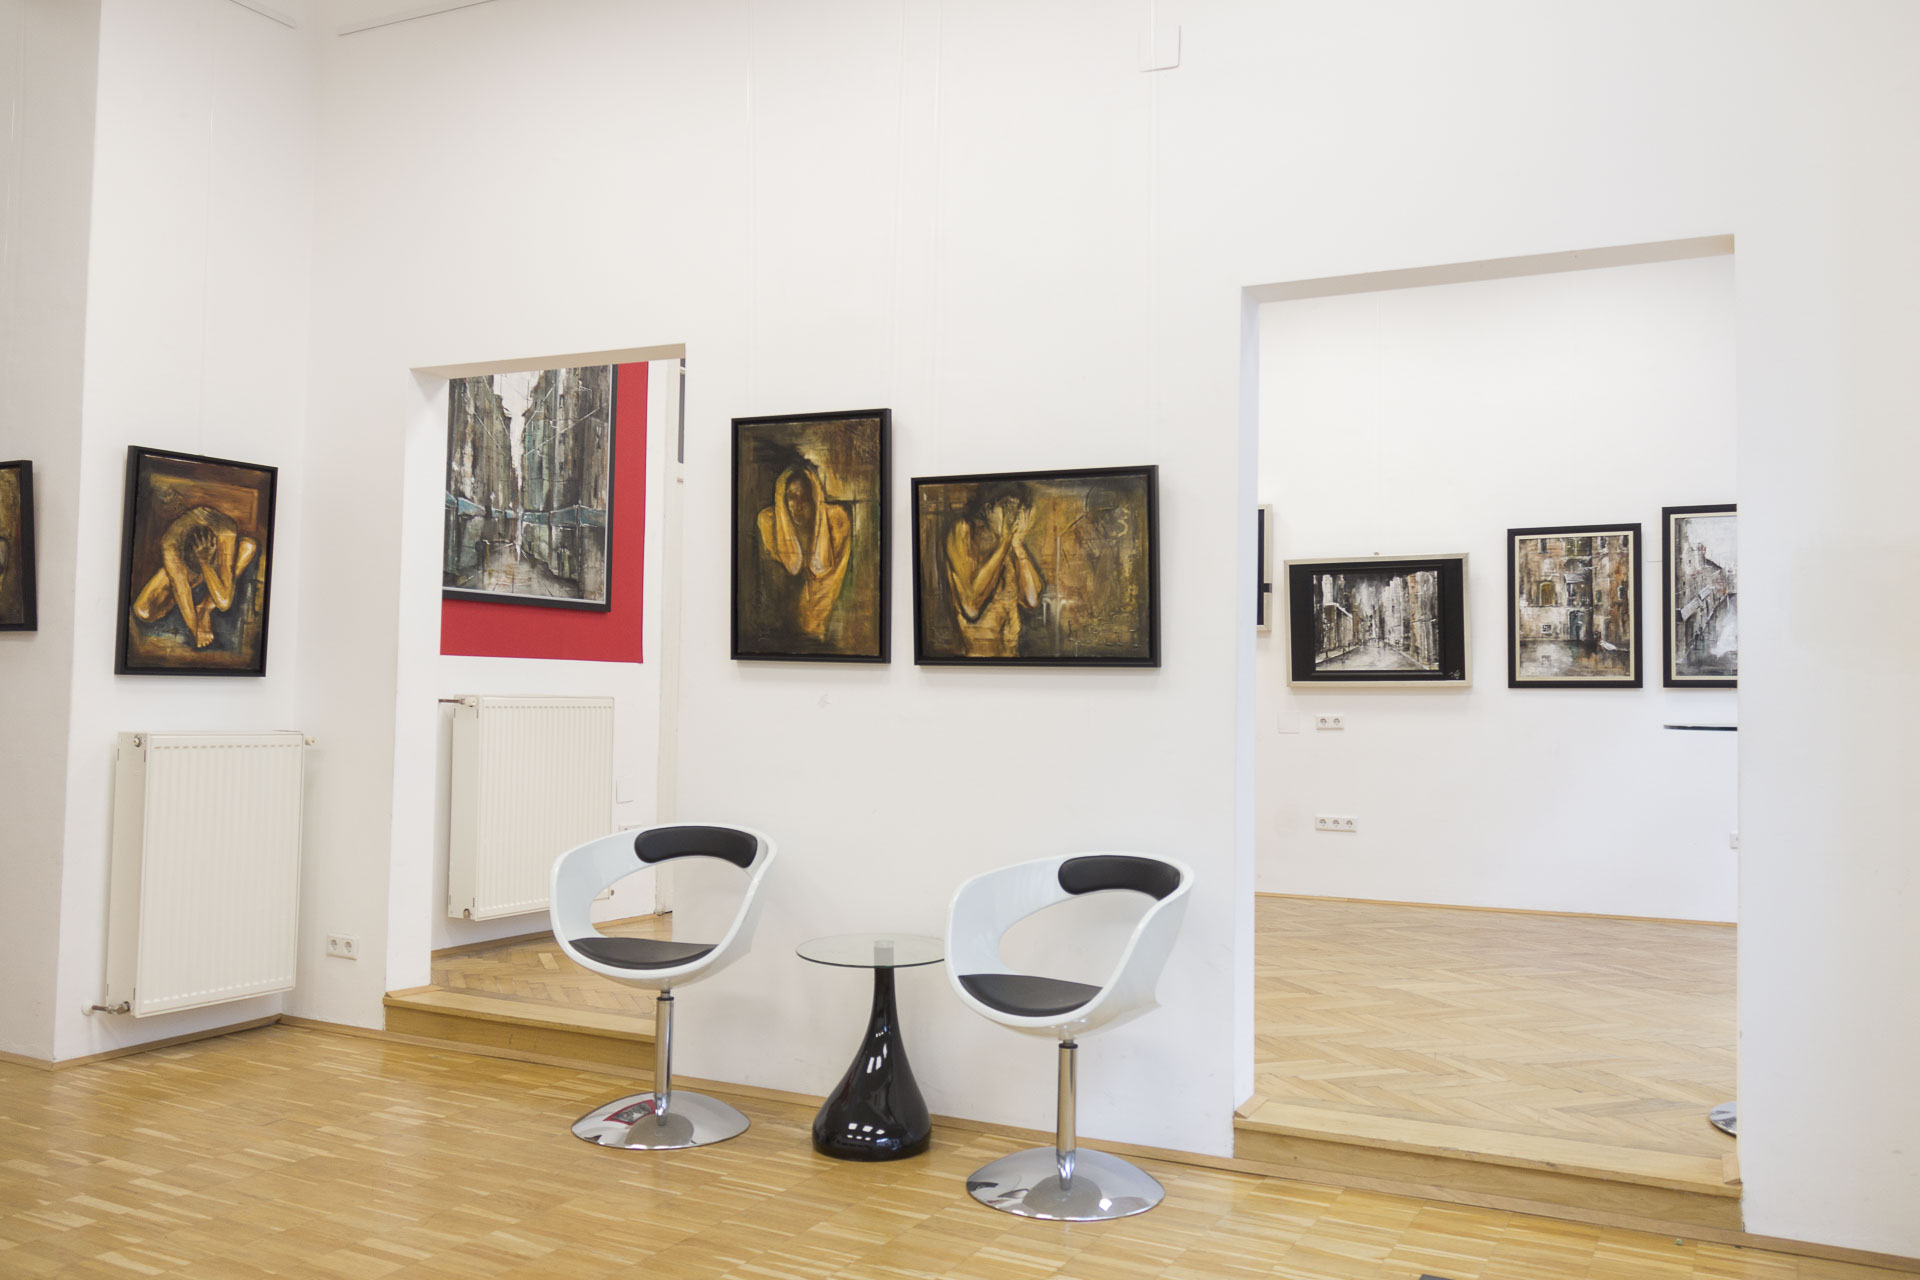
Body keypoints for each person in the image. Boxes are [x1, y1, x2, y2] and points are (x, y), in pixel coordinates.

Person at [131, 506, 258, 650]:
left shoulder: (225, 531)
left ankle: (204, 607)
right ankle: (190, 583)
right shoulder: (171, 545)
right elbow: (182, 591)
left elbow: (224, 601)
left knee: (249, 546)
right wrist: (195, 629)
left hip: (212, 565)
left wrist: (205, 563)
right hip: (187, 572)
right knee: (143, 611)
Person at [756, 464, 851, 640]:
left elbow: (826, 586)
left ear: (815, 500)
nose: (798, 506)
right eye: (792, 497)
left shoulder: (835, 524)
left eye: (805, 498)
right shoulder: (769, 523)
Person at [944, 488, 1042, 657]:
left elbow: (1032, 600)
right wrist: (1005, 541)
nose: (1012, 518)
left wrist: (1017, 545)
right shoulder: (964, 532)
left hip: (1011, 657)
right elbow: (971, 606)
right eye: (1007, 509)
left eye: (1018, 511)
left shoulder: (1010, 547)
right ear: (988, 509)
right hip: (978, 659)